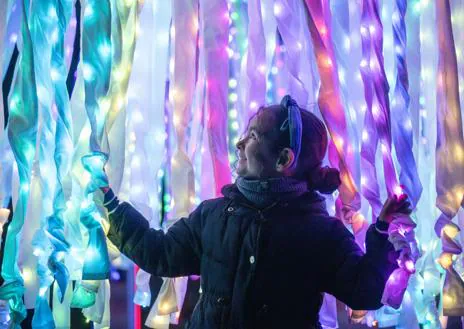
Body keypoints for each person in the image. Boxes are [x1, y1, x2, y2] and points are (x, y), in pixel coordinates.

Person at [98, 95, 411, 329]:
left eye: (253, 136)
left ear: (284, 159)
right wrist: (111, 206)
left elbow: (364, 292)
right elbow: (161, 254)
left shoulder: (321, 233)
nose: (239, 143)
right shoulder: (213, 215)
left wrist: (381, 233)